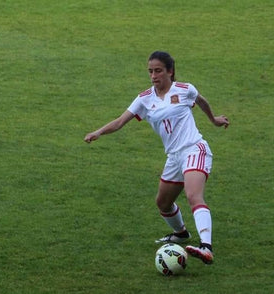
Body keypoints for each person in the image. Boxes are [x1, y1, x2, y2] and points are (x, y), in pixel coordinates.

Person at [84, 51, 229, 264]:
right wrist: (98, 132)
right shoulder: (144, 99)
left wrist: (214, 119)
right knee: (163, 203)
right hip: (174, 157)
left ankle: (206, 247)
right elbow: (120, 121)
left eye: (158, 71)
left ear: (170, 71)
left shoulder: (184, 89)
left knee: (193, 195)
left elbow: (201, 100)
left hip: (194, 149)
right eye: (150, 71)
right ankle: (181, 233)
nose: (153, 76)